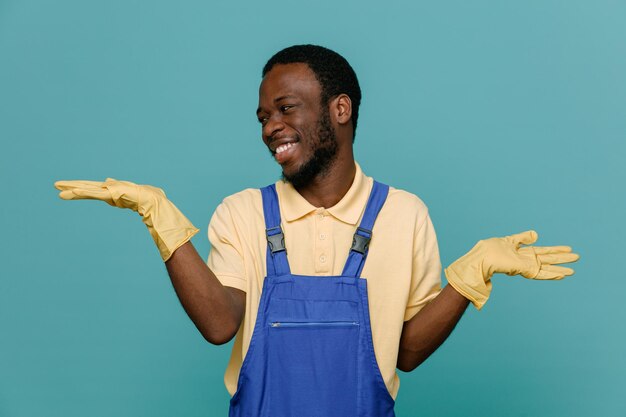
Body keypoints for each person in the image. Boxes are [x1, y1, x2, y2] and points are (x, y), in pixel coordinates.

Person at [55, 45, 579, 417]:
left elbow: (407, 353)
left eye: (286, 109)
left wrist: (470, 274)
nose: (270, 128)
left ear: (340, 109)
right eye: (263, 116)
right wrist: (160, 217)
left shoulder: (404, 214)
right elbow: (218, 325)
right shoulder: (241, 214)